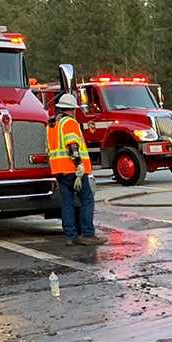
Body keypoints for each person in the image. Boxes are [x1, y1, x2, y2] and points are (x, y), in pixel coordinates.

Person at [47, 93, 105, 246]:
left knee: (67, 203)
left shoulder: (52, 125)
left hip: (59, 170)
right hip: (74, 169)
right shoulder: (70, 123)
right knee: (87, 200)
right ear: (72, 109)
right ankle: (87, 234)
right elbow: (72, 146)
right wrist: (79, 165)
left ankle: (70, 236)